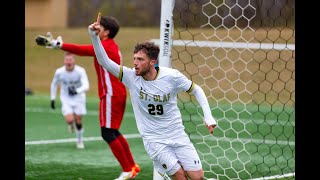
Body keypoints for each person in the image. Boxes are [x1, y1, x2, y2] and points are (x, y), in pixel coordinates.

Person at [88, 13, 218, 180]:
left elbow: (197, 90)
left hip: (178, 135)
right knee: (180, 176)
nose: (135, 63)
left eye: (140, 59)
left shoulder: (172, 77)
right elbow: (104, 61)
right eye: (134, 58)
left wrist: (208, 116)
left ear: (152, 62)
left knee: (197, 177)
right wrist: (94, 36)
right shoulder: (130, 77)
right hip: (154, 140)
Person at [37, 15, 140, 180]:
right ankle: (132, 167)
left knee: (107, 133)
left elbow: (83, 50)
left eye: (100, 27)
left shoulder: (106, 46)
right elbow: (88, 48)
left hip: (111, 93)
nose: (96, 29)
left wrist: (59, 45)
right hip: (115, 92)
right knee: (112, 131)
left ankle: (127, 169)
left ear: (106, 32)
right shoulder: (109, 45)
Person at [50, 52, 89, 149]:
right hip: (66, 98)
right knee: (69, 119)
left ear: (74, 60)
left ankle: (79, 141)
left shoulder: (80, 71)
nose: (69, 62)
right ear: (64, 61)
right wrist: (53, 98)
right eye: (67, 60)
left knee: (78, 120)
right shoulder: (59, 72)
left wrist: (77, 91)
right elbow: (54, 84)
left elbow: (86, 85)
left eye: (70, 60)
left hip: (79, 98)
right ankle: (71, 124)